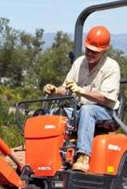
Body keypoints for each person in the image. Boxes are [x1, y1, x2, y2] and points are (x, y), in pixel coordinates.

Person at [43, 25, 121, 173]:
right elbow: (66, 87)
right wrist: (54, 90)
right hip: (80, 109)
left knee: (87, 110)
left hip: (106, 111)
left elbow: (104, 97)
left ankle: (83, 156)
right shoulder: (79, 62)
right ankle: (49, 154)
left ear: (104, 51)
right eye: (88, 49)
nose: (90, 54)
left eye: (95, 52)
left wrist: (81, 91)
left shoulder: (112, 67)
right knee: (55, 112)